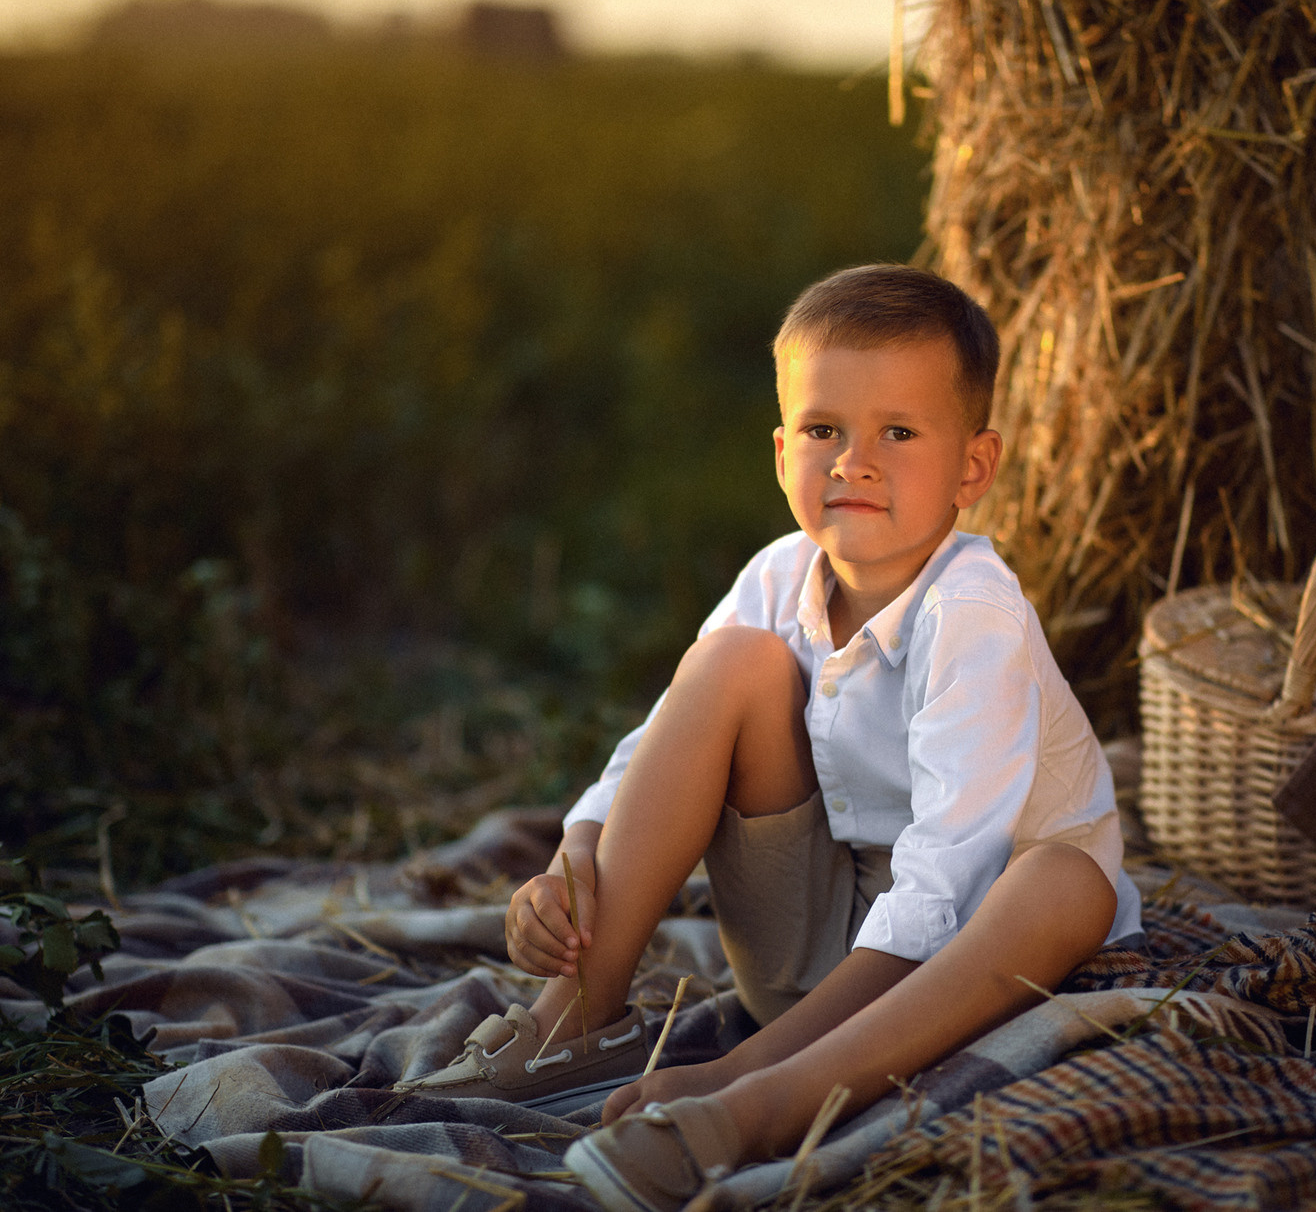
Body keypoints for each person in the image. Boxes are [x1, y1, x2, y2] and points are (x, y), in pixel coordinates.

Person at [399, 265, 1140, 1212]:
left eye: (898, 434)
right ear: (782, 449)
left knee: (1070, 880)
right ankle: (575, 1014)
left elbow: (948, 883)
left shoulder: (974, 614)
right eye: (825, 430)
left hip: (959, 976)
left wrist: (741, 1062)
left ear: (974, 468)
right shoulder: (778, 572)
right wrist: (576, 857)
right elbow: (654, 742)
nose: (854, 462)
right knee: (726, 666)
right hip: (806, 950)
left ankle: (759, 1104)